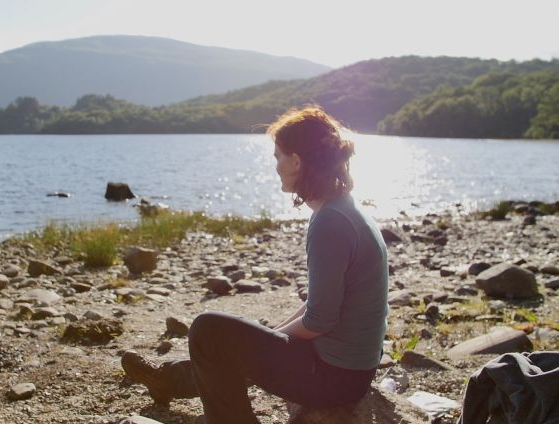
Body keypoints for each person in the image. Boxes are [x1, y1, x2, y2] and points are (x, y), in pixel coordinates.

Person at [121, 106, 389, 424]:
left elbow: (319, 321)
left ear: (297, 161)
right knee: (238, 339)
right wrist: (268, 339)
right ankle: (166, 380)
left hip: (334, 378)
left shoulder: (330, 222)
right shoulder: (343, 209)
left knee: (208, 329)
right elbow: (320, 308)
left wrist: (267, 343)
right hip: (347, 369)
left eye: (278, 156)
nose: (276, 166)